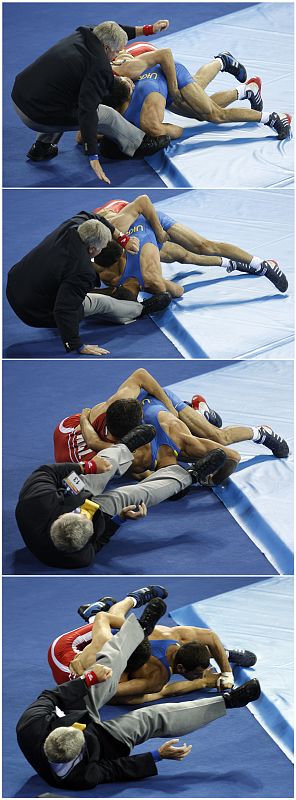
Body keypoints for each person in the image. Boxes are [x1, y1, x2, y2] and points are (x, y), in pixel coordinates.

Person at [17, 605, 261, 791]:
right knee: (151, 717)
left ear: (51, 732)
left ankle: (137, 631)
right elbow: (115, 769)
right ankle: (229, 702)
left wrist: (89, 681)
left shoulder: (30, 727)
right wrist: (158, 756)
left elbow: (51, 695)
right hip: (104, 743)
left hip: (76, 707)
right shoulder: (79, 777)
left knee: (104, 672)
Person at [16, 426, 223, 569]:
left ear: (61, 517)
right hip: (92, 510)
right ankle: (189, 477)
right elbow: (100, 541)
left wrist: (86, 466)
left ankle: (123, 447)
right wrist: (119, 519)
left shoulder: (36, 502)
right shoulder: (79, 556)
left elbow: (46, 471)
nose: (85, 510)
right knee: (134, 495)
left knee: (101, 467)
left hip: (69, 492)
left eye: (81, 513)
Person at [11, 20, 174, 183]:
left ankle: (41, 148)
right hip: (36, 115)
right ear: (106, 48)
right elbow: (87, 111)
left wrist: (148, 30)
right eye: (117, 51)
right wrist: (93, 155)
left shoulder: (84, 34)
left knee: (62, 93)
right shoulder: (98, 67)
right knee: (106, 114)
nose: (118, 55)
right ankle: (138, 144)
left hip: (21, 94)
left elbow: (116, 30)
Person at [6, 212, 171, 357]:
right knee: (99, 303)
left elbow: (95, 217)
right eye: (102, 247)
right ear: (92, 249)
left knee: (72, 290)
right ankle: (140, 310)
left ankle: (106, 297)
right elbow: (64, 309)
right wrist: (77, 345)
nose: (103, 249)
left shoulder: (72, 225)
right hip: (33, 312)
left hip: (14, 284)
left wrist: (122, 239)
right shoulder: (82, 271)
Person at [48, 590, 257, 701]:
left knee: (111, 621)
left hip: (110, 639)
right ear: (181, 669)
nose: (203, 675)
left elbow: (210, 637)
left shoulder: (168, 635)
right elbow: (113, 695)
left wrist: (226, 673)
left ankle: (126, 606)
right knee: (107, 630)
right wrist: (201, 684)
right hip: (65, 661)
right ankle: (101, 613)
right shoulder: (153, 678)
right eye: (198, 674)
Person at [95, 196, 288, 294]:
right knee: (185, 256)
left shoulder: (117, 224)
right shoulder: (100, 266)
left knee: (203, 246)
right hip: (129, 235)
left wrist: (159, 231)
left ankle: (262, 265)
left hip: (146, 221)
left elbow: (144, 201)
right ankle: (233, 264)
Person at [103, 49, 291, 145]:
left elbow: (177, 131)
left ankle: (274, 118)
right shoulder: (107, 103)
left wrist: (173, 88)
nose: (130, 82)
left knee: (214, 115)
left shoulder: (147, 117)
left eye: (129, 82)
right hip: (155, 84)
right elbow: (83, 135)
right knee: (200, 104)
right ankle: (245, 90)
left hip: (168, 74)